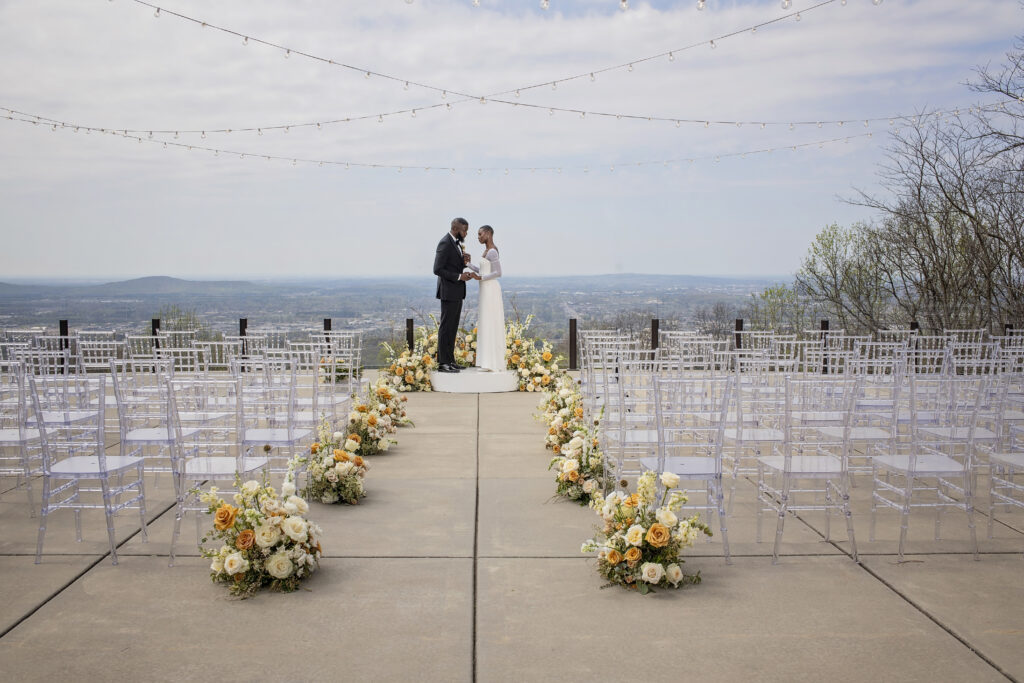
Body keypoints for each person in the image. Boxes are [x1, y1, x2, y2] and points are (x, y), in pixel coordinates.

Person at [433, 217, 473, 373]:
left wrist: (464, 263)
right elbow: (437, 269)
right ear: (457, 229)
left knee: (453, 328)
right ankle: (443, 363)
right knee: (445, 328)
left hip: (456, 292)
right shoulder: (445, 243)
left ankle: (451, 360)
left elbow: (452, 265)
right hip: (448, 292)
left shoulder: (456, 243)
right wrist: (459, 277)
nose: (466, 234)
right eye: (465, 231)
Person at [464, 225, 506, 372]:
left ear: (488, 234)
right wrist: (468, 265)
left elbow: (498, 272)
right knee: (485, 321)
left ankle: (491, 362)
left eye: (480, 234)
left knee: (490, 321)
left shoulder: (492, 251)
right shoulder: (487, 250)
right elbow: (482, 270)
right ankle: (486, 361)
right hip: (485, 288)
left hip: (490, 289)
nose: (478, 237)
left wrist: (480, 277)